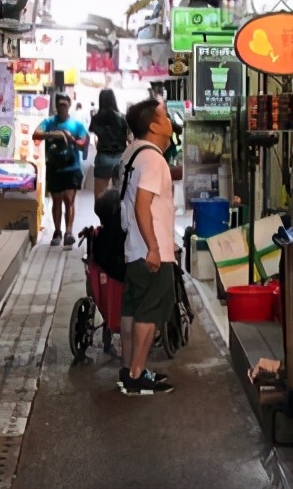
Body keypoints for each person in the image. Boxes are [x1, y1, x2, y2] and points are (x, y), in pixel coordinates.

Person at [118, 98, 177, 395]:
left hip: (133, 248)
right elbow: (143, 206)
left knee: (132, 307)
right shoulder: (154, 159)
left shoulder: (132, 153)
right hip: (150, 250)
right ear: (154, 125)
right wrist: (155, 248)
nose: (169, 121)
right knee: (150, 312)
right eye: (165, 116)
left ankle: (128, 368)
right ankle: (137, 374)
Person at [33, 94, 88, 247]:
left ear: (69, 106)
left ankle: (68, 232)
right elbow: (35, 134)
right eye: (59, 104)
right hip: (54, 168)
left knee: (69, 201)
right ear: (56, 106)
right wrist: (52, 134)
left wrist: (72, 139)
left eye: (65, 104)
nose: (62, 107)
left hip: (72, 168)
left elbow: (84, 141)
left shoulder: (76, 125)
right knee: (56, 201)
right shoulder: (49, 122)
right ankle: (57, 232)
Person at [88, 89, 130, 197]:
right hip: (121, 158)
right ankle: (116, 213)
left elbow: (93, 135)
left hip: (103, 158)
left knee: (100, 194)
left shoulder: (96, 118)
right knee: (120, 193)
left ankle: (103, 214)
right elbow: (130, 138)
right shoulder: (123, 117)